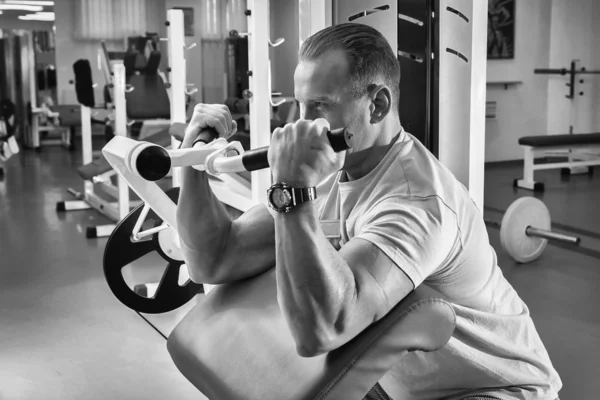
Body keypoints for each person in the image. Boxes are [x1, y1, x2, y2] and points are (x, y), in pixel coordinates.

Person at [176, 23, 562, 400]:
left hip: (495, 390)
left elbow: (322, 331)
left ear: (376, 105)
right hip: (401, 384)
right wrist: (194, 160)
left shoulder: (416, 202)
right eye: (300, 104)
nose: (300, 123)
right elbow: (214, 258)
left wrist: (292, 191)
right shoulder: (331, 167)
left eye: (320, 105)